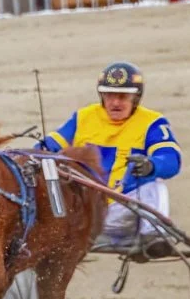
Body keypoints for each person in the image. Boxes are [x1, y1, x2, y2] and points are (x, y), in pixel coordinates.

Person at [40, 61, 182, 253]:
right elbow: (46, 147)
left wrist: (151, 165)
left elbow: (171, 159)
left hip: (123, 210)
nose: (115, 103)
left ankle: (153, 236)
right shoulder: (83, 117)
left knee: (155, 186)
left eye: (122, 97)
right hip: (84, 214)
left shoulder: (152, 122)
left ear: (136, 98)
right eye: (109, 95)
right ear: (102, 96)